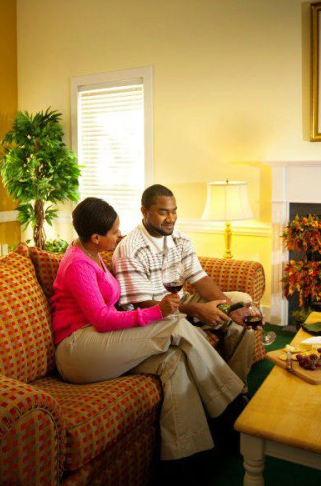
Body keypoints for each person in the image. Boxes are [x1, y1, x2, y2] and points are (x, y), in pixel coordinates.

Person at [52, 197, 245, 461]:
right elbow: (102, 319)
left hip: (97, 341)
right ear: (95, 237)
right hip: (76, 350)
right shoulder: (78, 264)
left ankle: (186, 458)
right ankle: (233, 406)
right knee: (174, 325)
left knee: (172, 360)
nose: (120, 234)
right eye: (113, 232)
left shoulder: (92, 253)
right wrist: (156, 312)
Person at [112, 184, 257, 386]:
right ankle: (227, 391)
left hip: (181, 304)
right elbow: (143, 306)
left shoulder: (179, 239)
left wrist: (231, 308)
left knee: (243, 303)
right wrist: (196, 310)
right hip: (155, 318)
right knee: (224, 316)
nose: (170, 219)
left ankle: (237, 387)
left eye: (174, 211)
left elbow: (200, 278)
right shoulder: (131, 249)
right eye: (163, 212)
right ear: (144, 211)